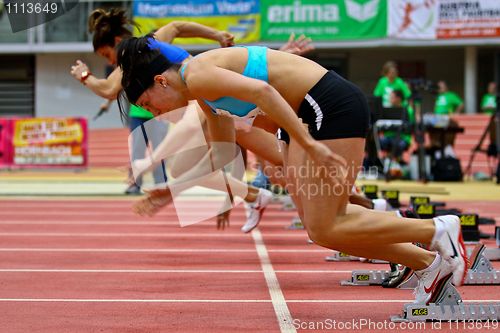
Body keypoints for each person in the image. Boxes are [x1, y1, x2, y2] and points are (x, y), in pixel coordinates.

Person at [117, 37, 468, 305]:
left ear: (160, 81)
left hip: (328, 105)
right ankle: (427, 263)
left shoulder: (199, 75)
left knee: (328, 221)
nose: (156, 113)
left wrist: (310, 143)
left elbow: (264, 91)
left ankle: (437, 230)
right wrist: (174, 189)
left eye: (149, 105)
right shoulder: (202, 94)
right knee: (321, 228)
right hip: (307, 116)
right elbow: (223, 155)